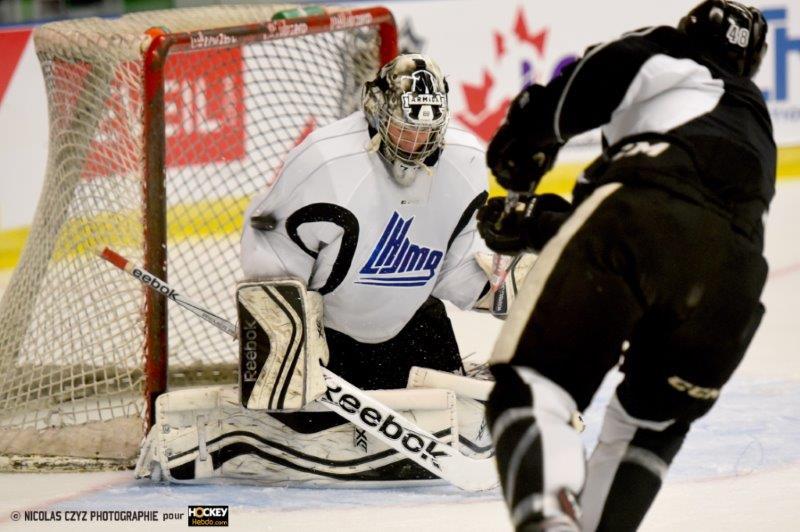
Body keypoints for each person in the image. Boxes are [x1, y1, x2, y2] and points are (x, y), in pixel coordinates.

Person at [476, 1, 774, 530]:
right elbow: (686, 228)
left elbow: (603, 72)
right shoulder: (754, 126)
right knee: (648, 428)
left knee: (533, 387)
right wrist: (538, 223)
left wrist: (527, 136)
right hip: (734, 280)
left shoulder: (678, 53)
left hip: (634, 222)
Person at [241, 53, 501, 391]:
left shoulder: (465, 161)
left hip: (413, 323)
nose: (414, 145)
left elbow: (453, 269)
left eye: (426, 132)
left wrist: (498, 288)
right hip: (332, 338)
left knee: (460, 418)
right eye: (404, 129)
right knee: (304, 419)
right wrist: (283, 326)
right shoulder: (326, 160)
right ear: (376, 110)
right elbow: (270, 241)